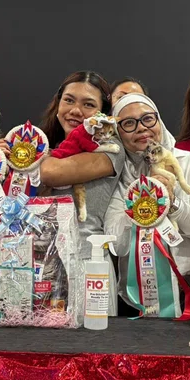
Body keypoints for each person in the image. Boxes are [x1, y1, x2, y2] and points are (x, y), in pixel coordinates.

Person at [104, 93, 190, 316]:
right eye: (128, 123)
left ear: (159, 121)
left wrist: (173, 203)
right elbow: (117, 244)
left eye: (148, 119)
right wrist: (141, 205)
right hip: (138, 300)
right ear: (118, 133)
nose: (141, 128)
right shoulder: (118, 176)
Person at [38, 71, 126, 260]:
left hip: (88, 264)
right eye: (69, 100)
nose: (76, 110)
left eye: (88, 104)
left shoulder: (111, 149)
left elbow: (50, 173)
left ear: (103, 113)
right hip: (41, 263)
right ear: (58, 104)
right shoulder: (46, 147)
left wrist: (30, 159)